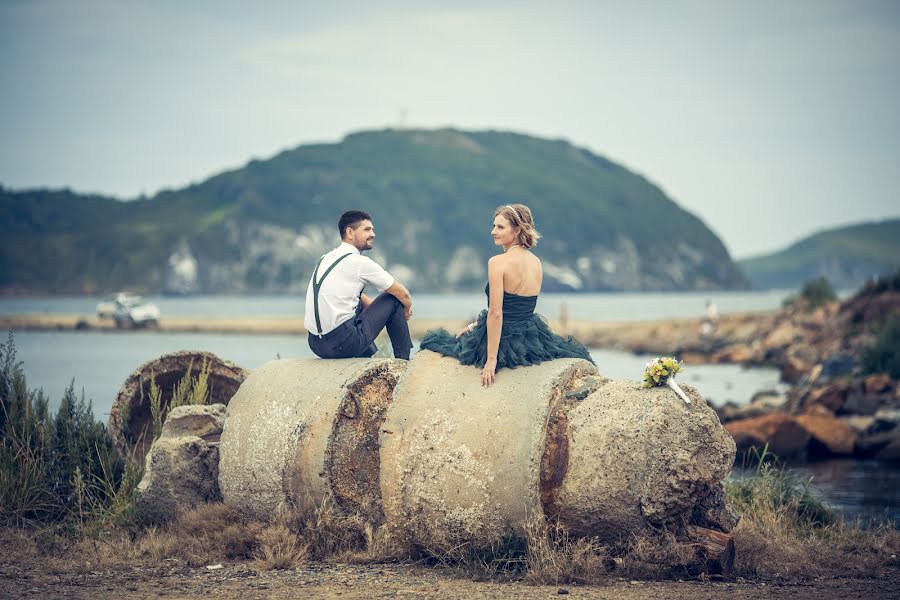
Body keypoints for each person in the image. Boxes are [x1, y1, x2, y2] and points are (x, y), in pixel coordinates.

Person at [420, 204, 594, 387]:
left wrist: (491, 360)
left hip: (502, 339)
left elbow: (496, 313)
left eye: (500, 227)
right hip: (530, 338)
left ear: (517, 229)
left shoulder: (497, 263)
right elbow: (517, 309)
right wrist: (476, 325)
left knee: (436, 342)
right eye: (494, 226)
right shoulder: (536, 262)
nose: (493, 231)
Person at [305, 210, 413, 360]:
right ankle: (404, 362)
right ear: (350, 232)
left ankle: (366, 360)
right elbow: (403, 294)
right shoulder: (359, 262)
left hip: (316, 345)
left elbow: (352, 296)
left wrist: (378, 313)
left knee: (356, 303)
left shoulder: (326, 259)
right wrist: (405, 309)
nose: (373, 234)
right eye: (367, 229)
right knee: (394, 299)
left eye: (372, 229)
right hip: (343, 344)